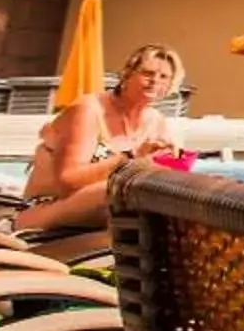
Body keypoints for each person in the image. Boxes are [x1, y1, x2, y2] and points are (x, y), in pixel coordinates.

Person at [11, 43, 185, 247]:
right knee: (126, 191)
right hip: (45, 207)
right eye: (147, 73)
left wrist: (170, 161)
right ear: (127, 74)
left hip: (105, 211)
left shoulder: (155, 121)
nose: (155, 81)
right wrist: (130, 159)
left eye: (164, 77)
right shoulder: (89, 111)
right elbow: (68, 180)